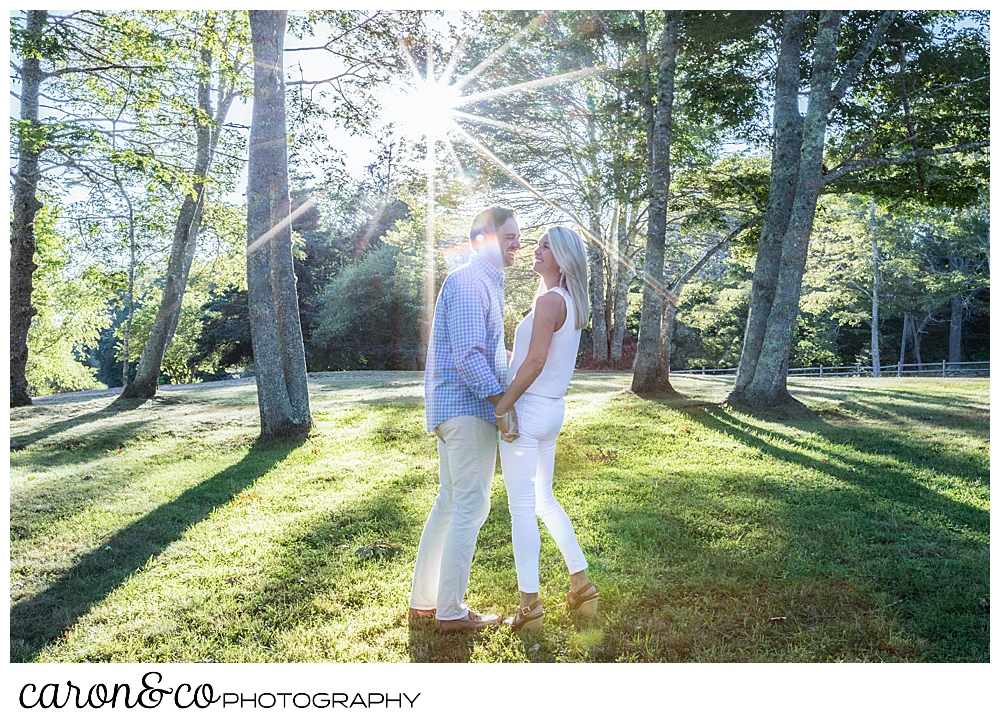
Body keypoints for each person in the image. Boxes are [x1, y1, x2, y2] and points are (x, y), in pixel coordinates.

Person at [409, 205, 522, 633]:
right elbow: (470, 356)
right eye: (509, 236)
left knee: (450, 503)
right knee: (471, 506)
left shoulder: (482, 284)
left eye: (518, 236)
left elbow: (484, 351)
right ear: (483, 241)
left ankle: (425, 601)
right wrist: (502, 402)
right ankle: (452, 612)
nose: (516, 243)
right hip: (467, 409)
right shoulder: (471, 282)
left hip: (455, 409)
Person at [493, 225, 598, 632]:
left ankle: (529, 607)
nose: (535, 250)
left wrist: (504, 405)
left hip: (530, 412)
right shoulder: (569, 302)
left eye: (544, 246)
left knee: (522, 510)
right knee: (543, 502)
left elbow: (534, 364)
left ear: (564, 258)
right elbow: (529, 358)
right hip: (551, 413)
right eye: (535, 244)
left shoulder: (551, 301)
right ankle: (581, 585)